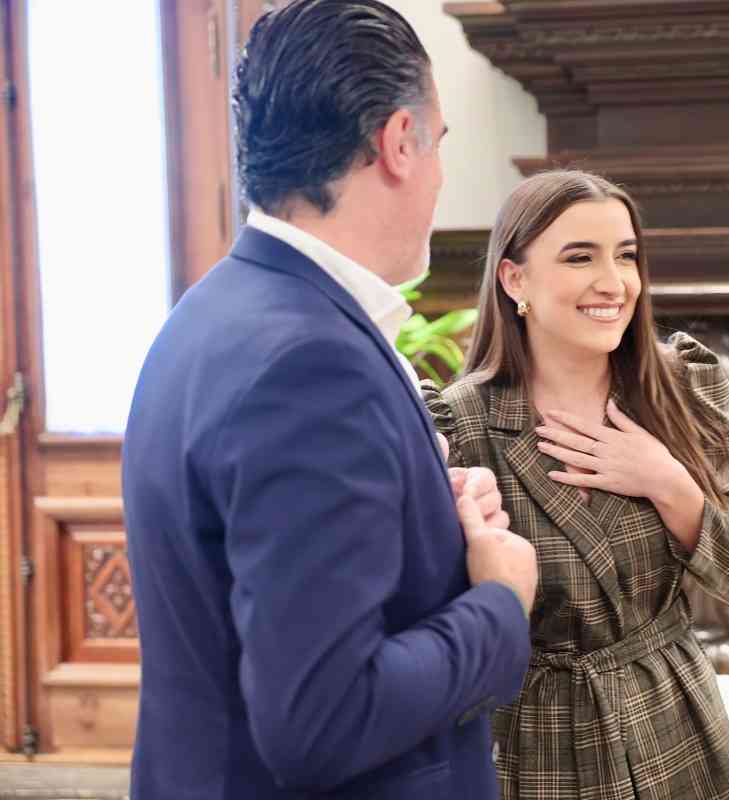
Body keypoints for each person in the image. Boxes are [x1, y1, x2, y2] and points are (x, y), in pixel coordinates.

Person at [121, 2, 536, 798]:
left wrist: (422, 518)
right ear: (400, 141)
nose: (440, 175)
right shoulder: (311, 363)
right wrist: (499, 601)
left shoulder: (210, 314)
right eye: (441, 142)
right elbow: (324, 719)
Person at [422, 170, 729, 799]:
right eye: (580, 257)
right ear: (515, 280)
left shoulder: (681, 390)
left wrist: (667, 481)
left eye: (626, 256)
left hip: (676, 735)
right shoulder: (458, 425)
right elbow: (448, 629)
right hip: (537, 750)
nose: (614, 282)